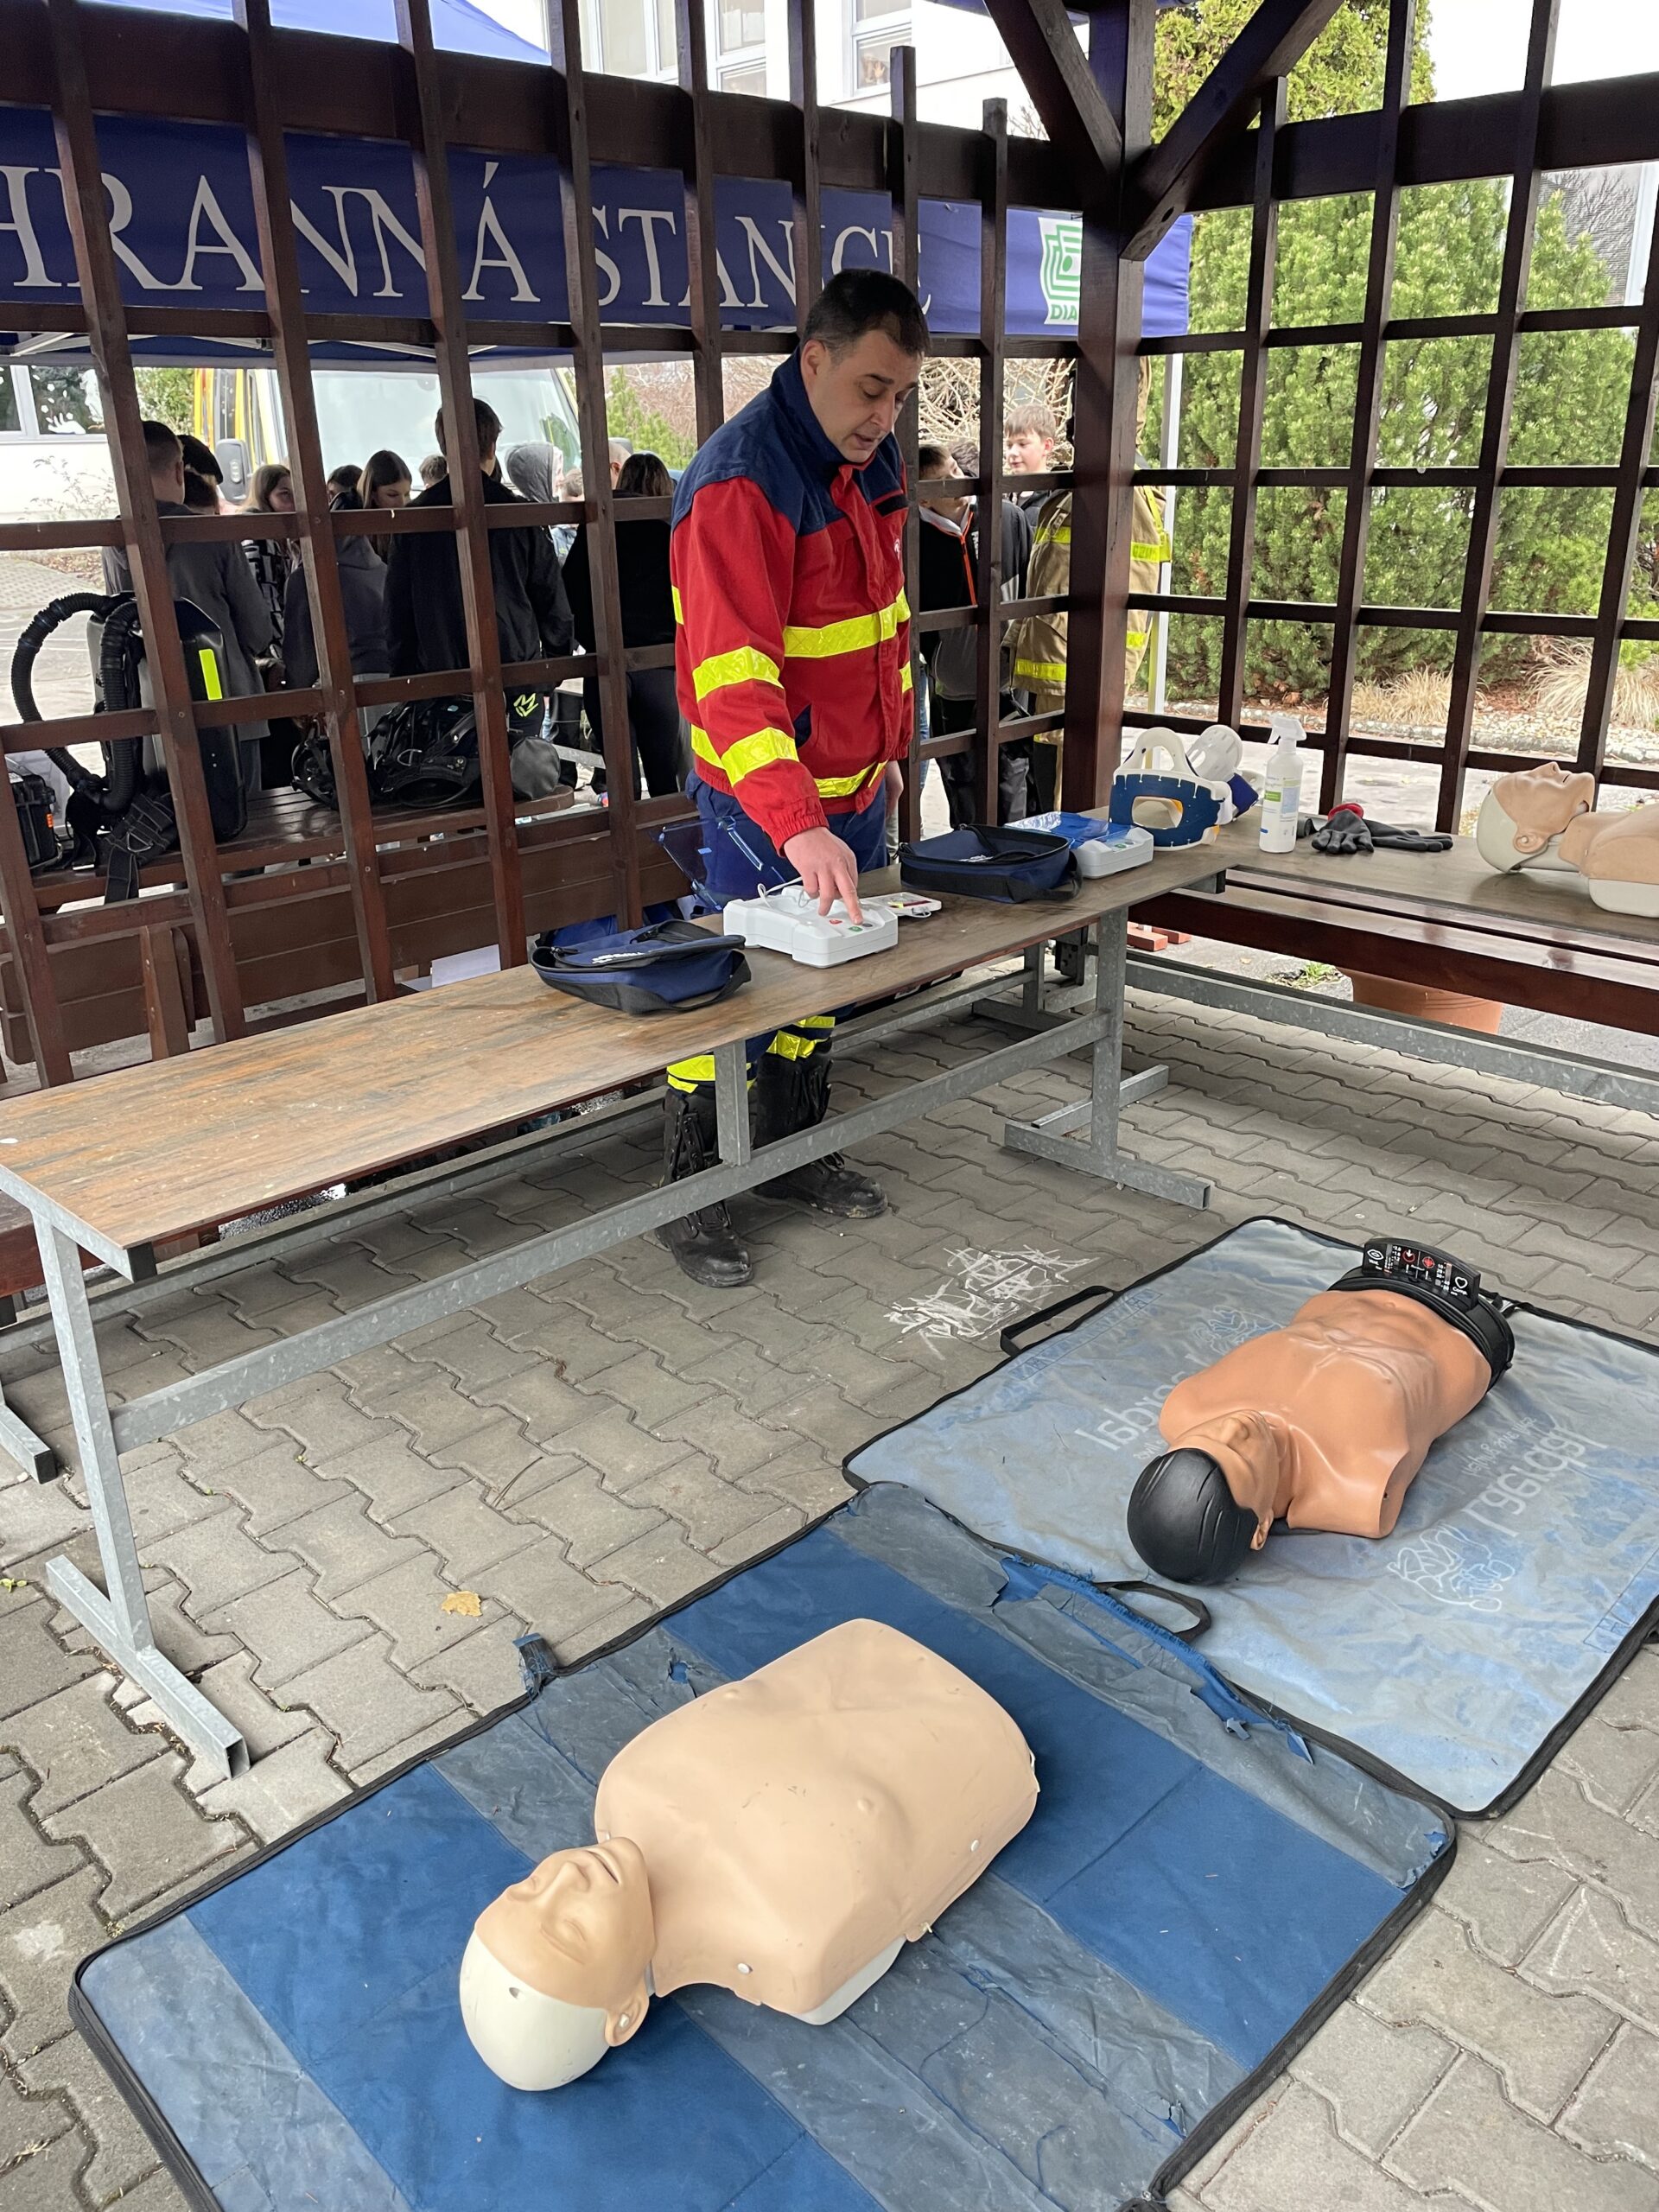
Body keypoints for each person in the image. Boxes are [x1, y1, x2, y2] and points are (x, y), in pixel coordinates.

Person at [460, 1619, 1036, 2091]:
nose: (565, 1878)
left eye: (528, 1888)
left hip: (863, 1655)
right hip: (982, 1734)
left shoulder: (627, 1783)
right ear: (628, 2013)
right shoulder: (792, 1948)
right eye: (572, 1931)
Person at [660, 267, 924, 1287]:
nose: (884, 415)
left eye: (899, 394)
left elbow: (882, 623)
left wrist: (888, 750)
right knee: (733, 995)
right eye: (870, 388)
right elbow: (733, 681)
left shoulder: (866, 459)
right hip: (762, 803)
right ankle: (693, 1190)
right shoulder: (739, 483)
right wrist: (796, 819)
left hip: (850, 790)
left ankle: (792, 1150)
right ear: (814, 360)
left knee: (823, 985)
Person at [1128, 1251, 1513, 1585]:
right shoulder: (1357, 1484)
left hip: (1354, 1288)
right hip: (1464, 1326)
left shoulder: (1187, 1407)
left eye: (1201, 1436)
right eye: (1240, 1456)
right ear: (1261, 1528)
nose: (1232, 1426)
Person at [1006, 366, 1168, 816]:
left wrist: (1111, 674)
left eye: (1088, 407)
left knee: (1069, 804)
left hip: (1077, 674)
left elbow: (1130, 601)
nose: (1074, 420)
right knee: (1049, 798)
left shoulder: (1123, 491)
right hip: (1053, 674)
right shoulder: (1080, 486)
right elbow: (1046, 579)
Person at [385, 397, 573, 747]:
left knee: (449, 772)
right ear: (492, 444)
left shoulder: (414, 519)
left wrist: (408, 680)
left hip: (441, 679)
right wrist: (550, 669)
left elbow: (398, 609)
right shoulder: (519, 514)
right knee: (520, 766)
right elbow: (550, 598)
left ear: (444, 444)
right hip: (516, 676)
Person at [104, 421, 274, 794]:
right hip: (226, 696)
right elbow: (258, 631)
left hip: (151, 703)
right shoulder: (212, 534)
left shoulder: (113, 541)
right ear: (179, 470)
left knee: (172, 815)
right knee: (243, 817)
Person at [914, 442, 1030, 826]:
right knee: (964, 787)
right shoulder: (913, 540)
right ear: (924, 499)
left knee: (1016, 783)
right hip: (954, 687)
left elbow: (1031, 584)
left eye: (956, 471)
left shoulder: (1006, 518)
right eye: (944, 481)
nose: (958, 481)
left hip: (1012, 678)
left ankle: (1021, 849)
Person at [563, 451, 683, 799]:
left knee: (621, 786)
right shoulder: (669, 533)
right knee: (664, 780)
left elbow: (570, 592)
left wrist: (591, 640)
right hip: (660, 667)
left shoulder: (596, 530)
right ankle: (665, 835)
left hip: (604, 663)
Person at [1003, 402, 1058, 515]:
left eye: (1022, 444)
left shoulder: (1055, 501)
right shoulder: (1002, 495)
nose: (1013, 452)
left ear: (1046, 446)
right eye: (1009, 445)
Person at [358, 448, 411, 563]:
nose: (403, 503)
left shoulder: (414, 524)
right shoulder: (357, 538)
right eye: (392, 495)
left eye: (407, 494)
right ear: (372, 494)